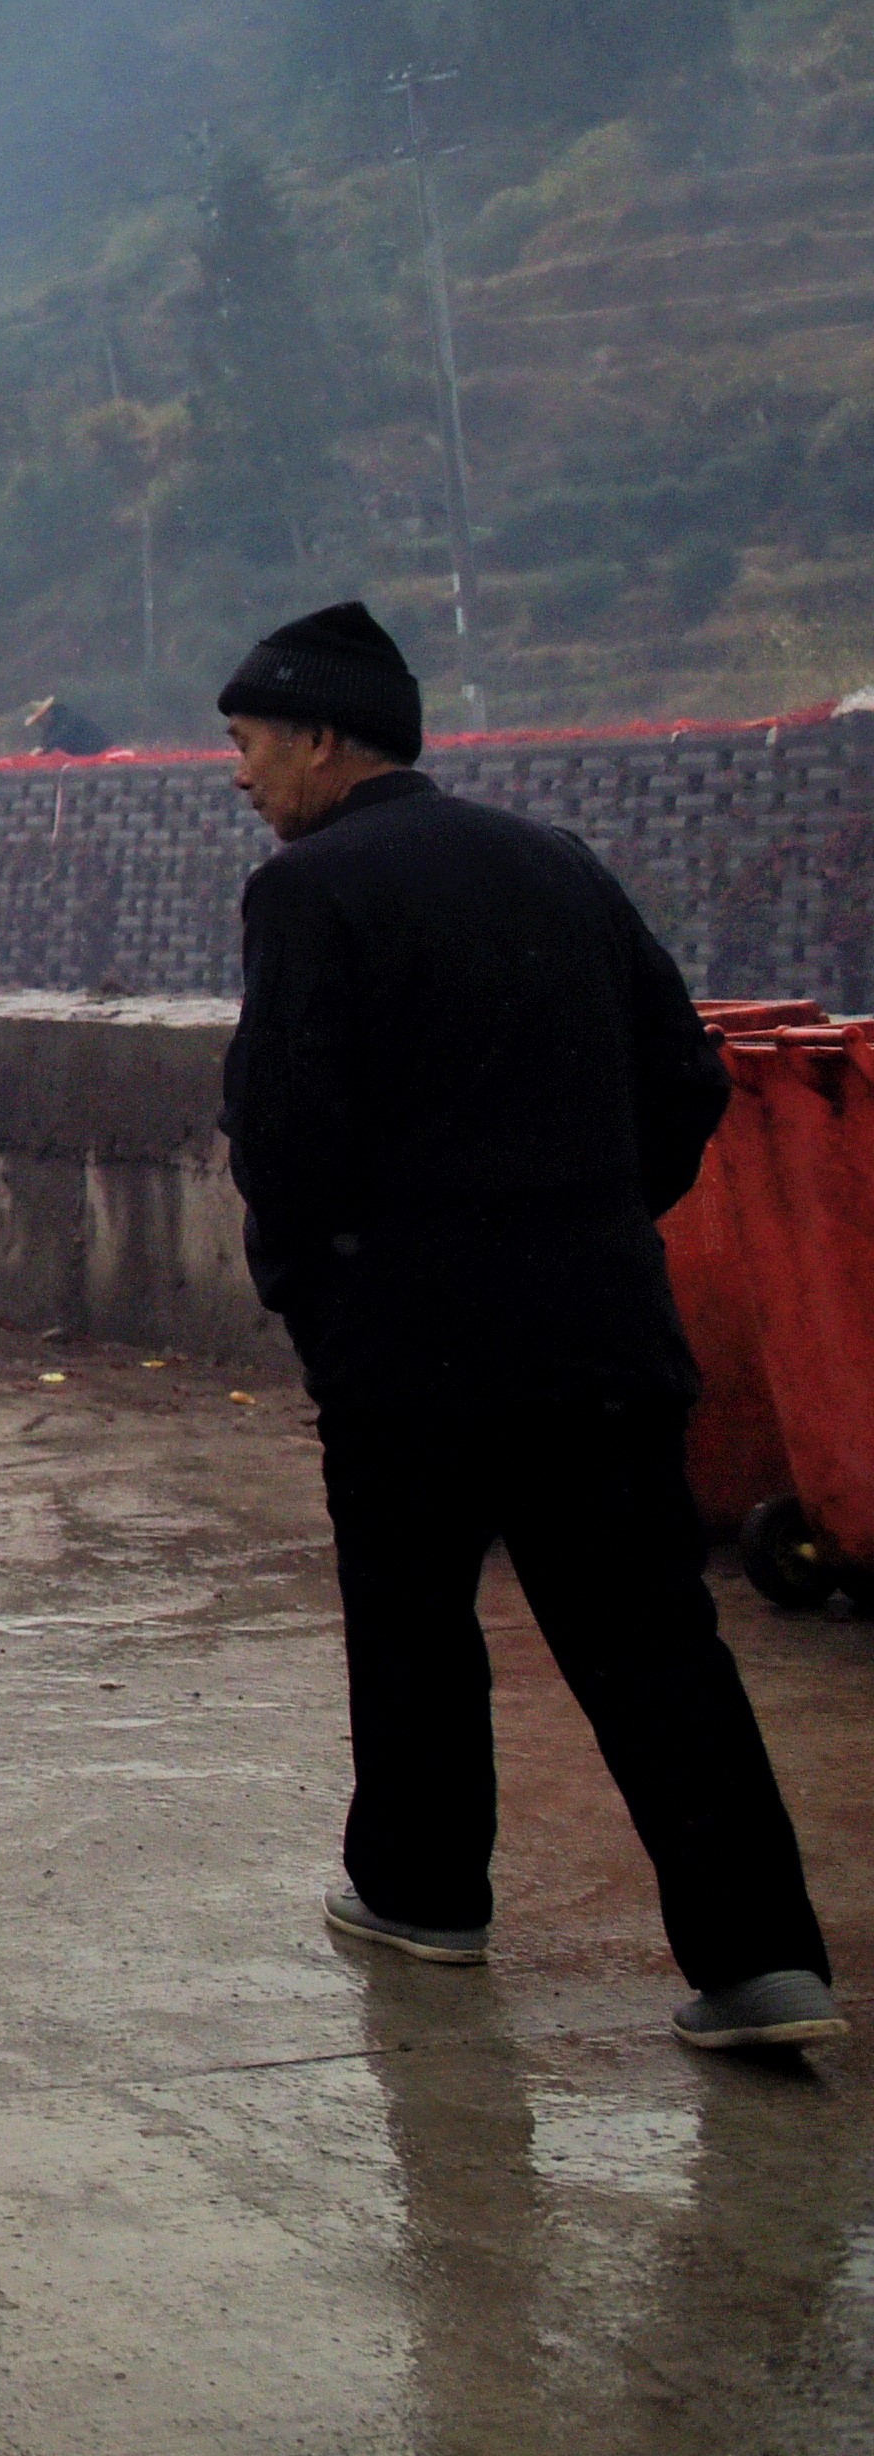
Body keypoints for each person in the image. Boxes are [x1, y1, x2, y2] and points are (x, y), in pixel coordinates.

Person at [214, 598, 837, 2051]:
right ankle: (762, 1965)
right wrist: (594, 1225)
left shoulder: (308, 893)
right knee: (655, 1645)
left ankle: (424, 1893)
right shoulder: (555, 859)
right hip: (597, 1334)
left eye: (249, 743)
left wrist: (317, 1292)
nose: (240, 774)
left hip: (408, 1351)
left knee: (415, 1625)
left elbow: (285, 1132)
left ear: (321, 738)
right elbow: (685, 1079)